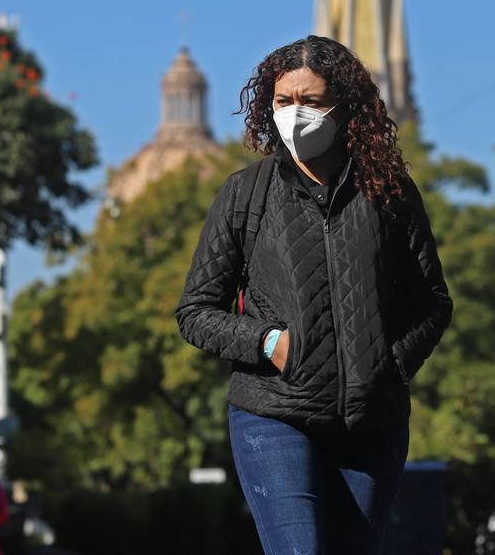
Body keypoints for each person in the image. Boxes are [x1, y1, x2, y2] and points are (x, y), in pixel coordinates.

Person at [175, 35, 452, 554]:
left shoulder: (388, 193)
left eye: (312, 101)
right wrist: (267, 342)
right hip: (273, 414)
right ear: (268, 105)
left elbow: (432, 301)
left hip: (372, 422)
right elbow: (195, 311)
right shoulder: (245, 193)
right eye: (284, 101)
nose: (296, 114)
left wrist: (388, 365)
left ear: (345, 108)